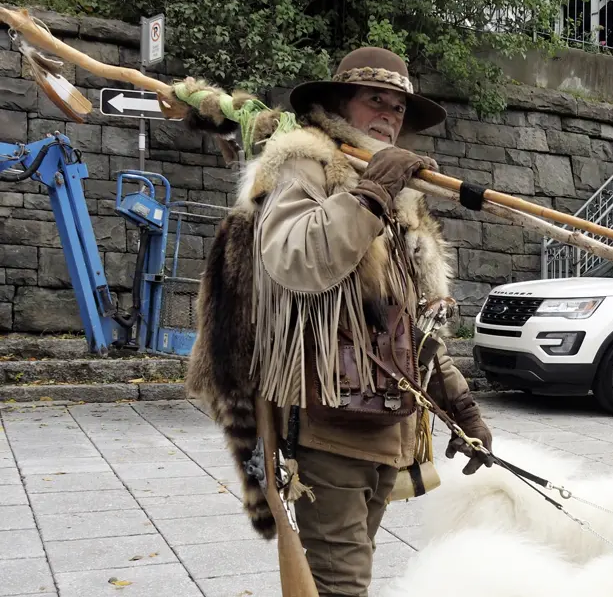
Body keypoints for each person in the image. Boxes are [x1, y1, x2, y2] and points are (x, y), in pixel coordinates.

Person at [184, 46, 493, 597]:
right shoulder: (304, 161)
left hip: (385, 423)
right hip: (326, 419)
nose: (389, 115)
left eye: (399, 108)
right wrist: (371, 192)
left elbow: (410, 317)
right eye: (375, 100)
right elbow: (295, 257)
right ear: (338, 103)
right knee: (341, 585)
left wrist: (461, 406)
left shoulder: (397, 187)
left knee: (350, 573)